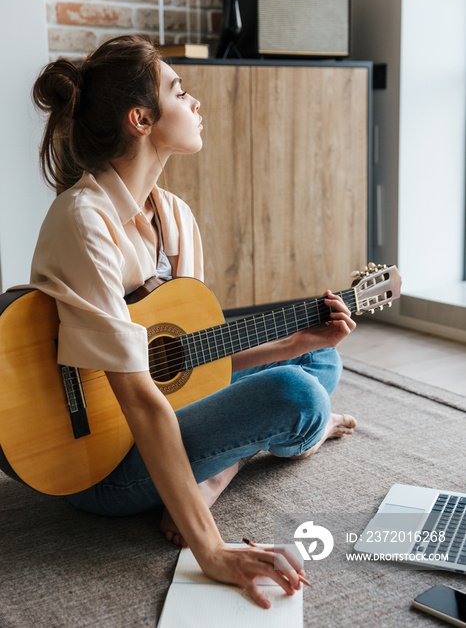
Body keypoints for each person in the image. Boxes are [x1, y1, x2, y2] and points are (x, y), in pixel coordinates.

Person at [30, 34, 357, 609]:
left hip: (167, 412)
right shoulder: (85, 220)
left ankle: (220, 471)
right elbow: (137, 395)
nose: (195, 102)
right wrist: (213, 552)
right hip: (100, 463)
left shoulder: (175, 216)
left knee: (318, 354)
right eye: (180, 90)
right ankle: (279, 441)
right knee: (298, 391)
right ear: (141, 119)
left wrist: (293, 340)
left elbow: (193, 363)